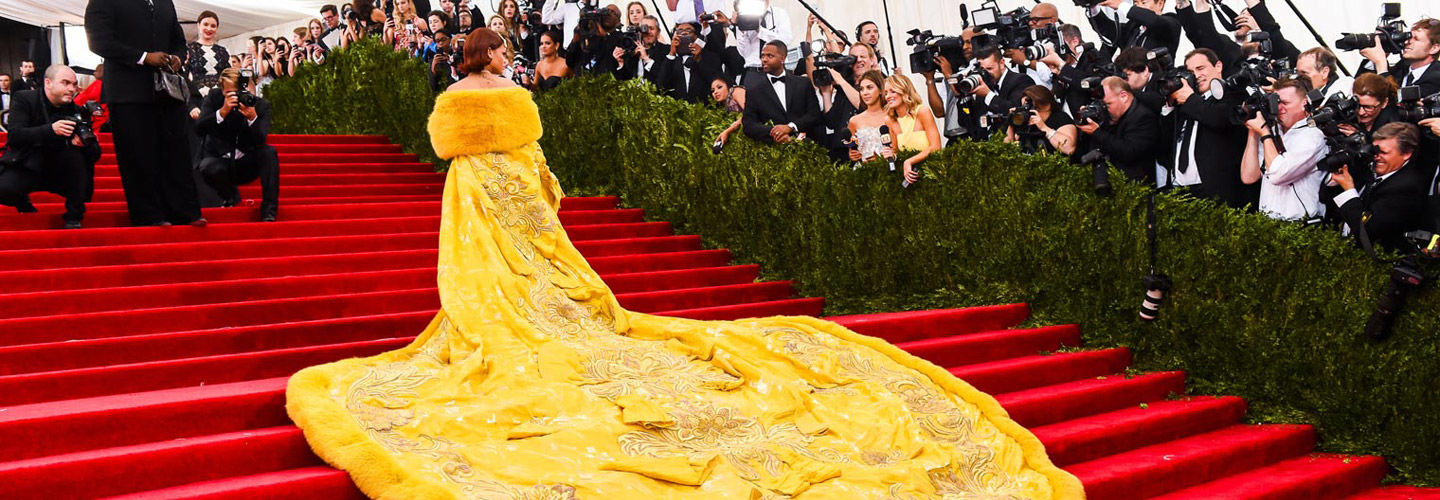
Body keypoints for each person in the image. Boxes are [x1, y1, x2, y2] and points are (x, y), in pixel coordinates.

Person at [284, 25, 1079, 499]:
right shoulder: (460, 104)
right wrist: (517, 178)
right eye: (498, 46)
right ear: (480, 53)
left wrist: (540, 182)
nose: (508, 51)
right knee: (509, 297)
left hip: (523, 184)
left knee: (557, 287)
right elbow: (469, 150)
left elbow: (528, 149)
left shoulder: (509, 95)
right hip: (488, 190)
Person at [86, 0, 205, 227]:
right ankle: (148, 215)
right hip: (128, 92)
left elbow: (177, 40)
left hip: (167, 92)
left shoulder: (164, 3)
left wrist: (177, 57)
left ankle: (185, 212)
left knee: (176, 153)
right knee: (138, 155)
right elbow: (99, 41)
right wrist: (143, 57)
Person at [0, 65, 101, 229]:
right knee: (4, 189)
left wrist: (84, 145)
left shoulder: (76, 111)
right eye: (65, 83)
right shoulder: (25, 99)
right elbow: (15, 136)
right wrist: (51, 130)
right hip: (27, 162)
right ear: (48, 83)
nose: (71, 89)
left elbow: (95, 153)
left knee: (77, 158)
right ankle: (22, 202)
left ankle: (74, 217)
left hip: (61, 167)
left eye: (74, 84)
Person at [194, 68, 280, 222]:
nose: (235, 96)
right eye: (229, 93)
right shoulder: (214, 99)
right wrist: (221, 112)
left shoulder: (259, 105)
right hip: (221, 162)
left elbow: (260, 140)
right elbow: (199, 128)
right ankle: (229, 196)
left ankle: (269, 210)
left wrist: (252, 119)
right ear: (222, 90)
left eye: (238, 91)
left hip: (247, 163)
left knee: (269, 152)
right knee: (207, 165)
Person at [1168, 48, 1251, 208]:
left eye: (1201, 68)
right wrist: (1168, 106)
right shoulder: (1188, 103)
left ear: (1218, 66)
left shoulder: (1234, 93)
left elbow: (1219, 118)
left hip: (1217, 192)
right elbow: (1166, 141)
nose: (1197, 75)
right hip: (1181, 191)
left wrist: (1190, 99)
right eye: (1191, 72)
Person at [1329, 122, 1430, 252]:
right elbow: (1326, 199)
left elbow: (1367, 233)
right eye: (1374, 150)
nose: (1376, 156)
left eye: (1383, 152)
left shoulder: (1406, 188)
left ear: (1406, 154)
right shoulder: (1371, 168)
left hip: (1376, 263)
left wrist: (1349, 190)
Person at [1240, 78, 1329, 222]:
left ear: (1304, 103)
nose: (1279, 108)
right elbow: (1249, 177)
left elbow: (1278, 175)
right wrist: (1253, 132)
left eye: (1285, 103)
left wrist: (1264, 133)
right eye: (1275, 102)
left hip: (1300, 225)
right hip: (1268, 223)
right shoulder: (1274, 132)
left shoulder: (1313, 136)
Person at [1077, 76, 1159, 183]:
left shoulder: (1143, 117)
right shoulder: (1110, 116)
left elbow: (1129, 152)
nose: (1105, 108)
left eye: (1108, 104)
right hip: (1109, 181)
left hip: (1135, 186)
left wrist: (1097, 132)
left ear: (1124, 96)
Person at [741, 41, 821, 145]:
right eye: (762, 56)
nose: (764, 59)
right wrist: (775, 132)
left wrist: (791, 127)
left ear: (783, 58)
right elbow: (748, 125)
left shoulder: (803, 83)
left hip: (808, 147)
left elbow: (814, 114)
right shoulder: (754, 91)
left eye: (770, 56)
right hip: (773, 152)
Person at [884, 74, 941, 185]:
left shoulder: (922, 112)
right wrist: (890, 155)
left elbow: (936, 147)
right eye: (886, 93)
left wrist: (909, 161)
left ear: (904, 91)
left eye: (893, 91)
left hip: (932, 173)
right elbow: (895, 151)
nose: (888, 96)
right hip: (909, 180)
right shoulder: (889, 120)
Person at [1364, 18, 1440, 96]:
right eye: (1409, 37)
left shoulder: (1436, 79)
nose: (1407, 42)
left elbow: (1392, 104)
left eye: (1416, 39)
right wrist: (1376, 57)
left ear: (1434, 48)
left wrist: (1380, 63)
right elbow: (1362, 92)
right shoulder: (1401, 67)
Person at [1087, 0, 1181, 61]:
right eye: (1136, 3)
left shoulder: (1171, 21)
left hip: (1154, 87)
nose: (1138, 7)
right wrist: (1093, 7)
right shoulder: (1133, 26)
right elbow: (1110, 30)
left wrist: (1120, 5)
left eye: (1144, 2)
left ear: (1160, 4)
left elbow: (1152, 20)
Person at [655, 23, 725, 103]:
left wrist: (698, 59)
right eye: (679, 31)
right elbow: (660, 86)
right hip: (676, 111)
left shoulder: (709, 57)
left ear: (696, 36)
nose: (684, 33)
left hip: (704, 110)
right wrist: (672, 53)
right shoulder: (670, 59)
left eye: (689, 30)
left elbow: (716, 81)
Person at [971, 46, 1036, 131]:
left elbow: (1014, 111)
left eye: (990, 68)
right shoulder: (983, 85)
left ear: (1001, 63)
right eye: (982, 70)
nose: (986, 73)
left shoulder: (1021, 80)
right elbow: (970, 123)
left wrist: (988, 95)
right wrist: (964, 96)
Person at [1005, 85, 1078, 157]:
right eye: (1024, 107)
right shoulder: (1026, 121)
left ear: (1047, 106)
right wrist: (1012, 123)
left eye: (1032, 107)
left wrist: (1044, 128)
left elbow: (1069, 149)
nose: (1028, 110)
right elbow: (1005, 150)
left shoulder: (1060, 118)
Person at [847, 70, 898, 162]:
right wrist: (853, 154)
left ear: (880, 90)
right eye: (861, 89)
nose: (865, 93)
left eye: (869, 87)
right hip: (864, 171)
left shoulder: (893, 114)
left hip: (891, 167)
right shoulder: (854, 121)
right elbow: (852, 148)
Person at [733, 0, 792, 71]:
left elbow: (785, 41)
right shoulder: (745, 16)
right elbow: (744, 52)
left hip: (776, 69)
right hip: (753, 70)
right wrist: (739, 27)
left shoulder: (779, 13)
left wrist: (760, 30)